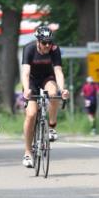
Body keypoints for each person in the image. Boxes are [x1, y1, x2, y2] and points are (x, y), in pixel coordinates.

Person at [21, 23, 69, 168]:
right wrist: (26, 90)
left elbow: (58, 71)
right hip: (32, 80)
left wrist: (63, 89)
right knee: (31, 114)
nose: (47, 45)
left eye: (49, 42)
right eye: (44, 43)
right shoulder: (29, 49)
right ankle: (28, 152)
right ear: (38, 41)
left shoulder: (54, 49)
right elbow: (25, 73)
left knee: (54, 94)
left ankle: (52, 126)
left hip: (48, 78)